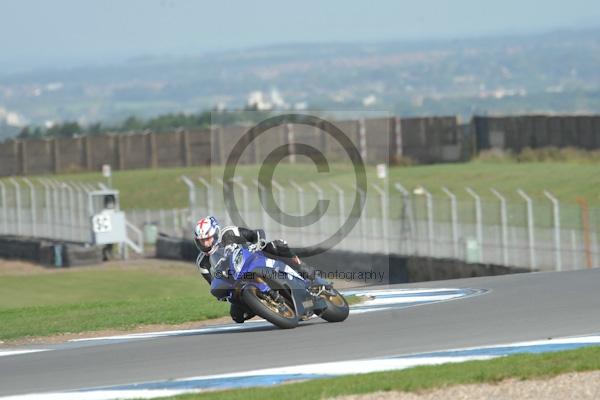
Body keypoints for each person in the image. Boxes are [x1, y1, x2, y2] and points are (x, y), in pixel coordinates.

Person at [193, 215, 315, 323]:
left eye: (207, 239)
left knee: (277, 245)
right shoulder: (202, 262)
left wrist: (258, 242)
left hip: (254, 259)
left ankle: (301, 267)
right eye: (202, 241)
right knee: (237, 316)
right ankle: (267, 306)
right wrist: (221, 293)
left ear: (216, 233)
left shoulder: (229, 233)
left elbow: (255, 233)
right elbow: (213, 281)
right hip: (236, 282)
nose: (205, 244)